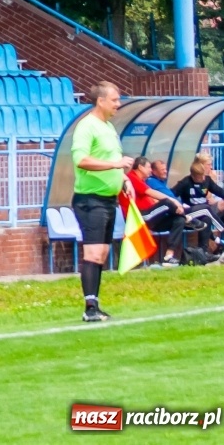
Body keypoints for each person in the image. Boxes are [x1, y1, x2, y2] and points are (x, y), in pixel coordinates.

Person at [71, 81, 128, 321]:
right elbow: (81, 160)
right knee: (93, 254)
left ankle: (94, 304)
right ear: (101, 101)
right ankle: (89, 308)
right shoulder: (87, 126)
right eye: (114, 99)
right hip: (90, 200)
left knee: (102, 254)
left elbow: (109, 159)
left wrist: (124, 180)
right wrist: (116, 164)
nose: (118, 104)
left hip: (108, 200)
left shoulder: (108, 127)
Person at [126, 154, 185, 265]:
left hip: (150, 216)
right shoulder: (132, 177)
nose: (150, 170)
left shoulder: (143, 180)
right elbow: (151, 193)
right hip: (139, 216)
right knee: (167, 203)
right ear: (140, 167)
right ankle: (188, 218)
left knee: (179, 220)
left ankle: (168, 256)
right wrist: (175, 202)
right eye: (148, 167)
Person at [172, 153, 224, 249]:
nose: (211, 167)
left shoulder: (207, 179)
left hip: (206, 212)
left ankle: (210, 248)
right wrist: (180, 205)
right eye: (209, 164)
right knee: (206, 211)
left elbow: (219, 191)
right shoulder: (186, 182)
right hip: (192, 214)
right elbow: (171, 195)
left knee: (215, 213)